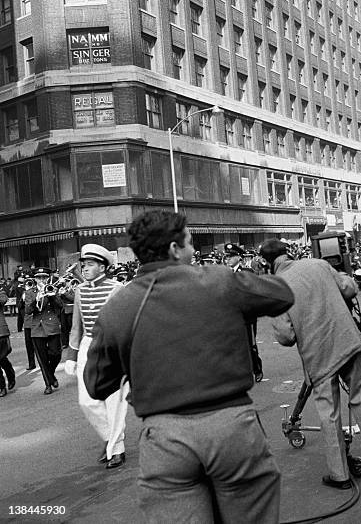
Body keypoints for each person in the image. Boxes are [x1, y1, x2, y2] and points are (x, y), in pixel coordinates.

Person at [84, 210, 294, 523]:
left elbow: (97, 384)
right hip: (232, 431)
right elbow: (281, 294)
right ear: (173, 249)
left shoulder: (118, 307)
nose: (194, 251)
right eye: (190, 244)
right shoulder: (219, 280)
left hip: (166, 442)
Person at [261, 239, 361, 489]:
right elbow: (349, 288)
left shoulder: (275, 287)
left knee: (329, 414)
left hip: (319, 358)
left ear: (266, 263)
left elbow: (286, 336)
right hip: (348, 342)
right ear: (288, 253)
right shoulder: (319, 264)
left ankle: (340, 475)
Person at [64, 244, 129, 469]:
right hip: (87, 346)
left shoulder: (117, 288)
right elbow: (76, 326)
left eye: (90, 265)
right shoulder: (80, 290)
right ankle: (110, 438)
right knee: (87, 402)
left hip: (111, 348)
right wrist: (71, 356)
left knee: (114, 402)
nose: (84, 268)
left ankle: (116, 448)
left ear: (102, 267)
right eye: (83, 265)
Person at [224, 242, 264, 382]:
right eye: (226, 256)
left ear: (238, 257)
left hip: (247, 317)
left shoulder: (247, 273)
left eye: (231, 256)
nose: (227, 259)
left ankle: (256, 368)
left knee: (250, 345)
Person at [24, 267, 64, 395]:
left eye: (44, 277)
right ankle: (48, 384)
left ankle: (51, 375)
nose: (42, 280)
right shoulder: (30, 292)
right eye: (39, 278)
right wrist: (37, 298)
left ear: (47, 278)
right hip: (37, 328)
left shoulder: (52, 288)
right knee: (42, 358)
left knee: (56, 353)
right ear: (35, 279)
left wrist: (52, 296)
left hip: (51, 325)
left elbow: (60, 306)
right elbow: (28, 311)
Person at [0, 285, 16, 397]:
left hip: (1, 332)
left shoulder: (1, 292)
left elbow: (3, 300)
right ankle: (1, 386)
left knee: (2, 358)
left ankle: (10, 373)